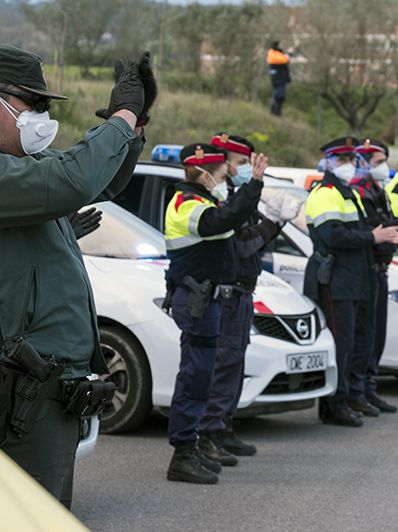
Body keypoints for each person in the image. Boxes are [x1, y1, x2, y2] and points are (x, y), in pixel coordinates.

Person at [0, 44, 153, 507]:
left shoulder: (7, 162)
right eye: (34, 104)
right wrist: (119, 117)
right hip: (4, 399)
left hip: (41, 396)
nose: (42, 117)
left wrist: (134, 127)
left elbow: (99, 181)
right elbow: (71, 181)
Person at [164, 142, 265, 484]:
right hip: (198, 301)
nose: (225, 178)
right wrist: (254, 186)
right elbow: (221, 221)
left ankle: (190, 447)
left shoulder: (203, 201)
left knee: (202, 377)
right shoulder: (185, 204)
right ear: (204, 173)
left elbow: (232, 227)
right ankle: (183, 453)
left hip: (208, 302)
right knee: (194, 377)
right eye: (222, 172)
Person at [194, 132, 295, 463]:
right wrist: (273, 221)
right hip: (225, 292)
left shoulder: (238, 196)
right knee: (222, 364)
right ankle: (208, 433)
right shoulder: (222, 199)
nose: (238, 169)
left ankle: (223, 426)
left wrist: (274, 224)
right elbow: (239, 246)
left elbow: (253, 242)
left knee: (234, 364)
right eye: (238, 163)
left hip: (242, 291)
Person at [304, 137, 398, 427]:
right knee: (341, 344)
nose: (348, 166)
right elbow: (332, 237)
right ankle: (334, 405)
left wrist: (383, 234)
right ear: (327, 161)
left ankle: (348, 397)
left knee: (355, 342)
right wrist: (372, 237)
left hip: (353, 278)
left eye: (351, 160)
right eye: (342, 160)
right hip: (336, 280)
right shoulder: (325, 193)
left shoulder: (346, 193)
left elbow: (364, 230)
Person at [349, 138, 398, 415]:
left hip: (380, 268)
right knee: (362, 336)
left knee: (375, 334)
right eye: (378, 162)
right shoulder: (359, 191)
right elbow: (377, 232)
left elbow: (387, 227)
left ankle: (368, 389)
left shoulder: (377, 189)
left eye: (385, 161)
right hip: (365, 269)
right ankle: (357, 391)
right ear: (361, 163)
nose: (384, 167)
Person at [267, 41, 293, 116]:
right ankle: (275, 112)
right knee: (278, 95)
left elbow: (284, 59)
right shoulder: (273, 54)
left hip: (279, 77)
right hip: (278, 78)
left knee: (280, 96)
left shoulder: (276, 53)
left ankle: (277, 113)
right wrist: (289, 53)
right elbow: (284, 60)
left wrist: (289, 53)